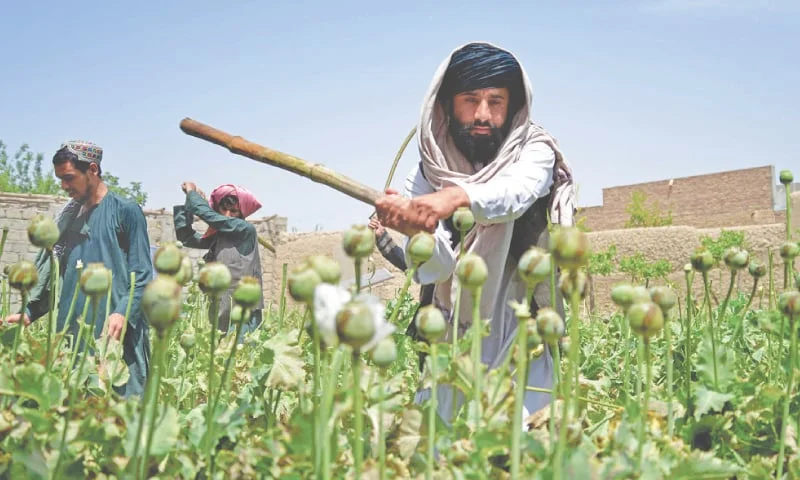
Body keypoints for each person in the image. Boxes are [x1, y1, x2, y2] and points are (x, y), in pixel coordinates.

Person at [374, 42, 577, 424]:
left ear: (513, 105)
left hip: (521, 328)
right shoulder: (426, 170)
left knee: (524, 449)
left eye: (496, 101)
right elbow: (437, 267)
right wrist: (417, 234)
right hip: (451, 335)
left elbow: (513, 196)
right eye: (470, 100)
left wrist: (454, 197)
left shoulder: (534, 150)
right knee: (438, 448)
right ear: (447, 103)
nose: (483, 114)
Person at [3, 140, 154, 398]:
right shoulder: (68, 219)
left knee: (121, 417)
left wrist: (121, 312)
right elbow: (59, 280)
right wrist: (29, 312)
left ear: (92, 170)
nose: (63, 186)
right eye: (60, 179)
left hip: (115, 337)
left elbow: (141, 274)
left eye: (69, 178)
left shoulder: (125, 211)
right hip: (73, 336)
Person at [173, 182, 264, 338]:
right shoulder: (218, 235)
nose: (227, 215)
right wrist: (189, 202)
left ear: (242, 214)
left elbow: (211, 217)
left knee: (243, 354)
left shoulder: (246, 230)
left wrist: (192, 195)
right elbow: (186, 237)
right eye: (224, 209)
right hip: (219, 307)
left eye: (234, 211)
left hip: (243, 308)